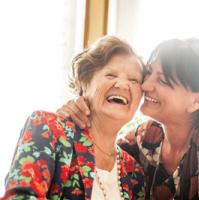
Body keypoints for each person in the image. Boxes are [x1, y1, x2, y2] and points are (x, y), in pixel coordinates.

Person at [58, 38, 199, 200]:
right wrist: (81, 108)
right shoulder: (146, 136)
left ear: (196, 100)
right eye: (148, 72)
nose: (145, 85)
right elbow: (103, 154)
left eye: (163, 80)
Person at [2, 36, 145, 200]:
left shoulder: (134, 171)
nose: (122, 84)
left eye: (134, 80)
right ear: (85, 81)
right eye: (111, 75)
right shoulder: (48, 128)